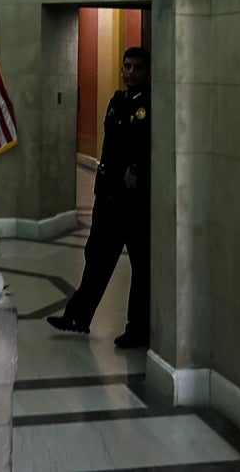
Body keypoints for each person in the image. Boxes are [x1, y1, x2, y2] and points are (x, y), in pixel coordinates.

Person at [47, 46, 151, 349]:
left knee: (142, 266)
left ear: (147, 72)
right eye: (127, 66)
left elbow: (147, 144)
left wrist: (135, 169)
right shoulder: (117, 101)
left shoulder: (148, 105)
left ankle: (138, 329)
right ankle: (78, 317)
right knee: (96, 258)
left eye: (137, 68)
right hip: (108, 195)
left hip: (133, 200)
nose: (130, 72)